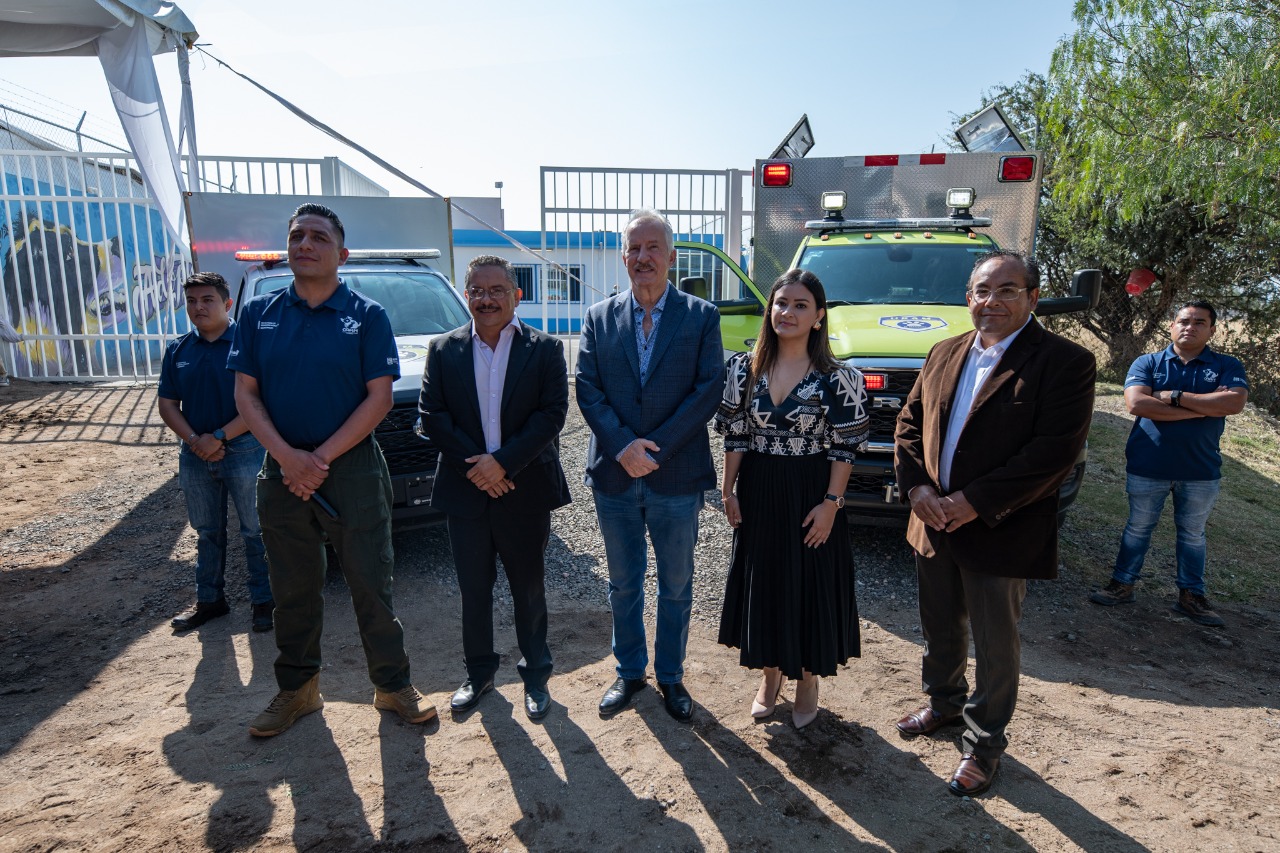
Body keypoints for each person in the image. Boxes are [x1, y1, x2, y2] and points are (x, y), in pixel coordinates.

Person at [894, 250, 1096, 797]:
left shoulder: (1065, 362)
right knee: (940, 627)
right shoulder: (943, 352)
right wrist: (917, 489)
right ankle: (943, 705)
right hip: (933, 523)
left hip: (999, 529)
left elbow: (1052, 453)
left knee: (995, 642)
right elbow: (908, 426)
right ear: (968, 297)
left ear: (1033, 298)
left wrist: (973, 502)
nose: (992, 301)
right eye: (983, 290)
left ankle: (984, 745)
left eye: (1008, 290)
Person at [230, 202, 435, 737]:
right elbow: (246, 396)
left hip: (353, 471)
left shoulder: (367, 316)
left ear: (340, 253)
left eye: (318, 237)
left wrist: (318, 459)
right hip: (281, 471)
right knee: (293, 589)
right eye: (297, 235)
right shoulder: (258, 314)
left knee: (372, 585)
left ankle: (393, 687)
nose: (305, 244)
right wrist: (287, 457)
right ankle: (297, 690)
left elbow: (379, 399)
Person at [576, 208, 724, 723]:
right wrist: (624, 447)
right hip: (616, 475)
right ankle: (630, 671)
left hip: (676, 475)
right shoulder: (598, 317)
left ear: (671, 256)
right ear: (623, 258)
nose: (643, 258)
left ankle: (672, 676)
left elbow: (708, 390)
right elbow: (588, 389)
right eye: (634, 249)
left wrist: (653, 448)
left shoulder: (701, 316)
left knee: (678, 583)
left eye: (652, 247)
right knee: (624, 583)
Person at [714, 269, 869, 729]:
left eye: (801, 305)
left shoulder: (839, 378)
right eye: (781, 303)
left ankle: (806, 679)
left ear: (819, 317)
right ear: (770, 310)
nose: (788, 312)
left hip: (811, 493)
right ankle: (769, 675)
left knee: (807, 583)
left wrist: (831, 504)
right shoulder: (745, 369)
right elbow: (736, 435)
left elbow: (845, 447)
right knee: (766, 581)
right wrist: (727, 491)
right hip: (759, 489)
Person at [419, 255, 571, 721]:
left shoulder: (545, 349)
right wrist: (481, 468)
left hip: (523, 492)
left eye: (496, 290)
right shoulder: (443, 349)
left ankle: (537, 677)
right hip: (466, 493)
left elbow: (551, 414)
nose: (486, 299)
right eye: (477, 291)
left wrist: (502, 464)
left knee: (528, 589)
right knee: (473, 590)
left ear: (515, 295)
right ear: (466, 295)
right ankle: (480, 674)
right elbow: (432, 416)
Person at [1090, 300, 1248, 626]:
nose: (1190, 327)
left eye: (1199, 323)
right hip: (1149, 464)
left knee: (1193, 535)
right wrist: (1206, 407)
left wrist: (1172, 396)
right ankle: (1122, 585)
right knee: (1137, 529)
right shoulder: (1148, 362)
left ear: (1212, 330)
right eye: (1184, 321)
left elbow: (1234, 402)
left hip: (1200, 470)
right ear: (1172, 326)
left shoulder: (1225, 365)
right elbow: (1136, 403)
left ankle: (1191, 597)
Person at [158, 272, 272, 633]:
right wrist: (196, 441)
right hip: (195, 455)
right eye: (191, 301)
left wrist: (219, 437)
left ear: (226, 304)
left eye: (207, 300)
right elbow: (167, 404)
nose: (198, 307)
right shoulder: (178, 349)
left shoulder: (249, 343)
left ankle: (265, 602)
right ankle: (210, 601)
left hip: (245, 449)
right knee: (207, 531)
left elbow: (260, 400)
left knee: (256, 531)